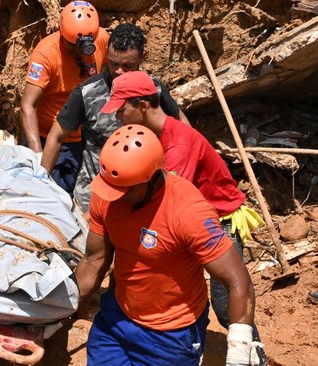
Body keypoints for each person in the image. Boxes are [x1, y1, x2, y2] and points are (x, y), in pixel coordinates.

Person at [100, 70, 267, 363]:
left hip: (219, 216)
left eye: (121, 109)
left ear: (142, 105)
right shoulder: (152, 137)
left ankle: (251, 353)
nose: (117, 118)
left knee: (227, 299)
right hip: (194, 217)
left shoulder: (178, 147)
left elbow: (170, 206)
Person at [76, 124, 261, 365]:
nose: (116, 196)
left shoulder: (187, 211)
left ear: (151, 179)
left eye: (126, 190)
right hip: (118, 317)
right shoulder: (109, 193)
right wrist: (65, 309)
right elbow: (94, 260)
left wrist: (239, 348)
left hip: (171, 333)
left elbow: (238, 282)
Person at [41, 23, 190, 211]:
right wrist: (42, 179)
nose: (119, 71)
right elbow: (56, 136)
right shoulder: (86, 93)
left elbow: (182, 125)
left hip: (145, 190)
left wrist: (180, 168)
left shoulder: (154, 89)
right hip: (96, 192)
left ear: (141, 58)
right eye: (113, 63)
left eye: (128, 66)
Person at [20, 1, 110, 194]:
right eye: (73, 46)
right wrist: (37, 153)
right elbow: (28, 105)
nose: (80, 51)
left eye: (85, 45)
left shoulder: (101, 39)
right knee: (46, 194)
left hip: (82, 137)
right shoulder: (46, 54)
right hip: (48, 137)